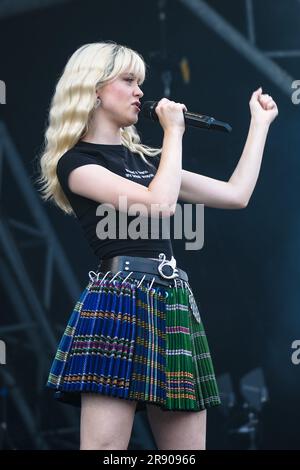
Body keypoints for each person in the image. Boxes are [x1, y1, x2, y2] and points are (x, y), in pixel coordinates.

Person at [37, 41, 278, 451]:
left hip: (171, 299)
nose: (139, 92)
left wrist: (260, 124)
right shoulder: (77, 164)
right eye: (128, 80)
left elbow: (237, 195)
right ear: (94, 88)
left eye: (140, 82)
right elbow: (160, 205)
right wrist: (174, 131)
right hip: (120, 300)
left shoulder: (151, 162)